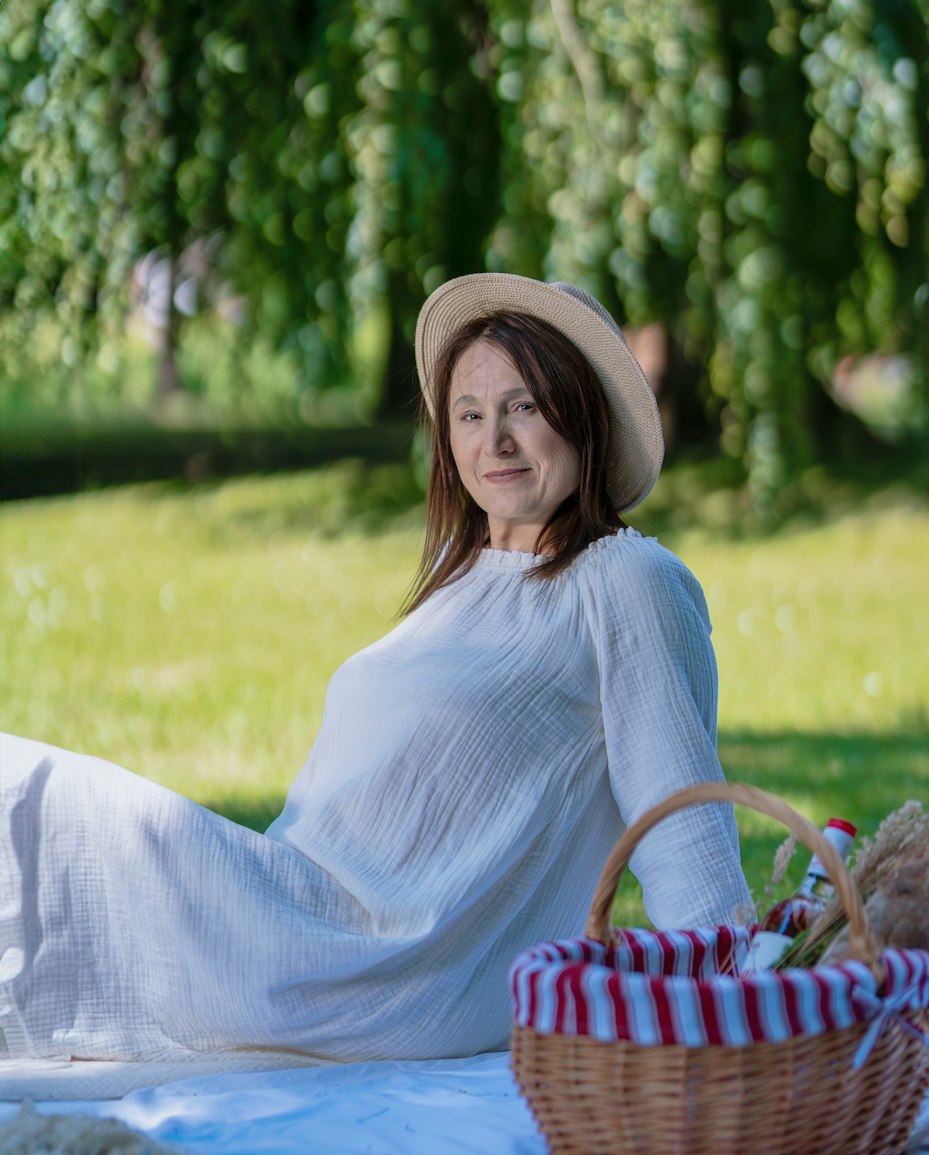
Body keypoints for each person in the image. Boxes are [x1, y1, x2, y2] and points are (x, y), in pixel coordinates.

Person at [0, 273, 752, 1066]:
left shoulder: (624, 581)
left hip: (384, 968)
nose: (491, 440)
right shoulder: (465, 581)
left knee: (37, 798)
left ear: (585, 418)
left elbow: (681, 819)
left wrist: (745, 1003)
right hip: (295, 910)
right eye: (469, 414)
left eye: (524, 407)